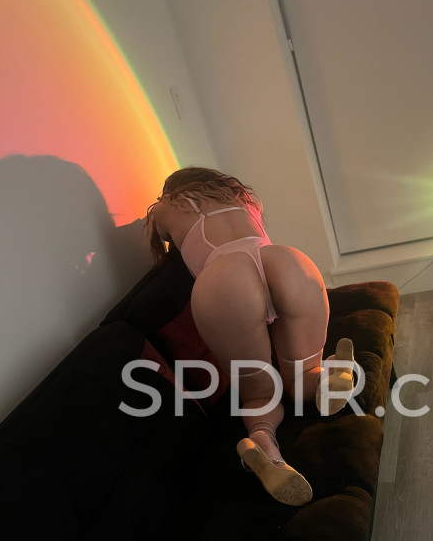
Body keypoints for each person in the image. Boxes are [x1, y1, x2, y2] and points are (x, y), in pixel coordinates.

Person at [144, 167, 355, 506]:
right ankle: (325, 377)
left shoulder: (165, 208)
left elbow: (162, 235)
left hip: (225, 279)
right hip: (286, 262)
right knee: (303, 371)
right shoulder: (245, 198)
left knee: (260, 396)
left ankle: (266, 448)